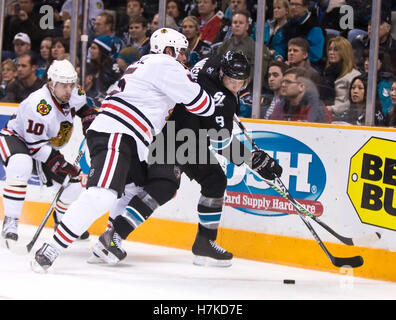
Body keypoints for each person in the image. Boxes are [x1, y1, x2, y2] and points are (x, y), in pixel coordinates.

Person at [31, 28, 216, 272]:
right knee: (103, 194)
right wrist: (203, 82)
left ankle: (107, 242)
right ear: (168, 50)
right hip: (118, 133)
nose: (185, 58)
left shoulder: (145, 64)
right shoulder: (164, 63)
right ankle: (52, 247)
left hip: (126, 137)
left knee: (136, 188)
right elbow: (203, 105)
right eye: (182, 52)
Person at [88, 51, 283, 267]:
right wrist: (253, 159)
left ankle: (204, 243)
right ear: (221, 72)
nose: (236, 86)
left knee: (215, 180)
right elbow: (221, 144)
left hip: (189, 136)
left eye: (240, 82)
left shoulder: (214, 60)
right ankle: (113, 236)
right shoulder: (222, 102)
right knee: (163, 186)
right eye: (231, 80)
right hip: (170, 134)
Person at [0, 59, 97, 249]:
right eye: (64, 85)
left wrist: (90, 126)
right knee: (22, 163)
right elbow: (36, 149)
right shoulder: (39, 105)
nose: (69, 90)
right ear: (52, 84)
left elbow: (86, 110)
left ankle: (62, 224)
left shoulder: (74, 93)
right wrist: (63, 165)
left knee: (74, 183)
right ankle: (10, 220)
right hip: (16, 139)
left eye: (71, 84)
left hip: (42, 145)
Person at [322, 36, 361, 117]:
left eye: (336, 50)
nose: (331, 52)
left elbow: (353, 103)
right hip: (325, 114)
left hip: (343, 117)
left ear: (344, 52)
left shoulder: (354, 75)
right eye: (330, 49)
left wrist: (332, 108)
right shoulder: (328, 72)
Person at [282, 0, 326, 69]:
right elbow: (282, 46)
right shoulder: (287, 26)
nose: (293, 7)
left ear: (306, 7)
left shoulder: (314, 27)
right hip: (289, 63)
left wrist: (294, 61)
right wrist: (279, 57)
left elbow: (315, 55)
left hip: (310, 66)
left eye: (297, 5)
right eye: (291, 4)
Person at [217, 9, 255, 78]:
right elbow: (217, 63)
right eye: (235, 22)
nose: (237, 25)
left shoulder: (253, 47)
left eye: (241, 23)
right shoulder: (226, 44)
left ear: (247, 26)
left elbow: (255, 72)